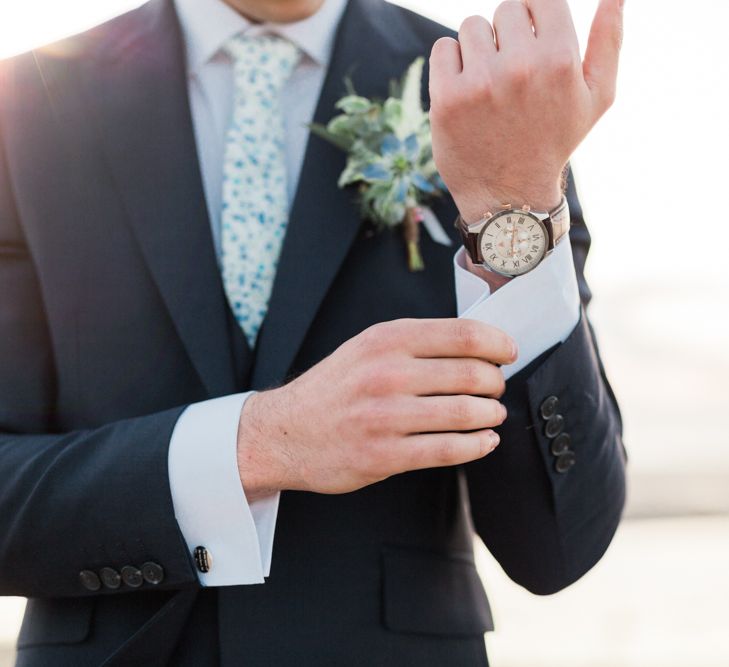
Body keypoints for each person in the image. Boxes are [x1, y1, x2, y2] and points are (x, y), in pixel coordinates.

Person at [0, 0, 626, 664]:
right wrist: (260, 443)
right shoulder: (25, 101)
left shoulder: (493, 96)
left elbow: (559, 546)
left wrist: (513, 203)